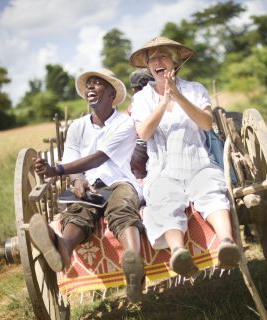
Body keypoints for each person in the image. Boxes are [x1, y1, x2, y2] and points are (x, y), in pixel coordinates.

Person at [29, 68, 145, 303]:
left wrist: (58, 170)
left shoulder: (125, 123)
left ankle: (133, 261)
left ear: (112, 93)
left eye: (97, 83)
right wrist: (76, 179)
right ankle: (62, 248)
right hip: (90, 186)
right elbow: (73, 162)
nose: (89, 87)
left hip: (120, 182)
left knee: (121, 209)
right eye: (87, 85)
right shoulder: (77, 127)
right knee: (79, 210)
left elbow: (100, 157)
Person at [129, 36, 240, 278]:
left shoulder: (195, 89)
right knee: (163, 197)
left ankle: (226, 243)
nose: (158, 61)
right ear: (148, 67)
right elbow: (144, 132)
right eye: (152, 58)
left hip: (198, 162)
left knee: (211, 190)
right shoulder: (141, 99)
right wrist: (164, 100)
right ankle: (178, 252)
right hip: (162, 169)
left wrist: (178, 96)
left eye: (163, 56)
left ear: (175, 62)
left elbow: (206, 123)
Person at [127, 68, 154, 180]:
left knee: (140, 179)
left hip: (138, 150)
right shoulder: (157, 99)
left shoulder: (132, 105)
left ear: (134, 89)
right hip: (150, 147)